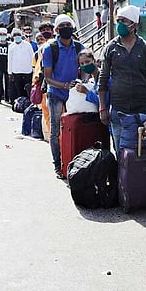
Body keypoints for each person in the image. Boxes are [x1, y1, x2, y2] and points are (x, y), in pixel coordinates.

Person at [98, 5, 146, 153]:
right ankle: (121, 176)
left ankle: (135, 177)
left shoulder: (144, 48)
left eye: (124, 21)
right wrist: (102, 107)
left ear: (134, 24)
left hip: (141, 110)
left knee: (140, 150)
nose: (120, 24)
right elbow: (103, 80)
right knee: (120, 149)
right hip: (118, 110)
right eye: (118, 20)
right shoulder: (110, 47)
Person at [42, 14, 84, 179]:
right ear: (57, 30)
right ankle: (58, 164)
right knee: (55, 131)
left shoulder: (79, 47)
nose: (66, 27)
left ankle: (74, 160)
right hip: (56, 95)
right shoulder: (50, 48)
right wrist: (65, 85)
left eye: (69, 24)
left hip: (75, 95)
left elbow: (86, 68)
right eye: (63, 25)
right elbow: (47, 77)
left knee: (76, 127)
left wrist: (82, 83)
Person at [7, 28, 34, 101]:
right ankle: (20, 103)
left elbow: (32, 57)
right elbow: (9, 60)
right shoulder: (11, 46)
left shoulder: (27, 45)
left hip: (27, 71)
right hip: (16, 71)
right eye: (15, 35)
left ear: (21, 35)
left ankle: (28, 102)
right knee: (18, 89)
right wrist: (10, 73)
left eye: (18, 35)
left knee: (28, 88)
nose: (16, 36)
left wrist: (33, 69)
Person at [0, 27, 9, 104]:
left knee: (8, 82)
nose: (2, 36)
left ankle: (7, 98)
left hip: (7, 66)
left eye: (4, 34)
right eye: (1, 34)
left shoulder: (10, 44)